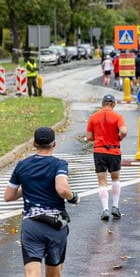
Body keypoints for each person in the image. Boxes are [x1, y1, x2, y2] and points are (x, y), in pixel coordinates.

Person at [4, 127, 80, 277]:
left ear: (34, 143)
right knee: (54, 273)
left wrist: (28, 187)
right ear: (54, 144)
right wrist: (74, 197)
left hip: (31, 225)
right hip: (55, 225)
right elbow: (62, 189)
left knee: (32, 272)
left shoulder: (22, 165)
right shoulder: (59, 165)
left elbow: (8, 196)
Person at [86, 94, 128, 220]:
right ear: (113, 104)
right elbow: (124, 131)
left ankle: (105, 209)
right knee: (115, 179)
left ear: (102, 104)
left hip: (99, 151)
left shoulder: (93, 117)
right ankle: (115, 207)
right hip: (114, 151)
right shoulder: (118, 117)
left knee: (102, 182)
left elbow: (88, 137)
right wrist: (119, 137)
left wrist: (98, 138)